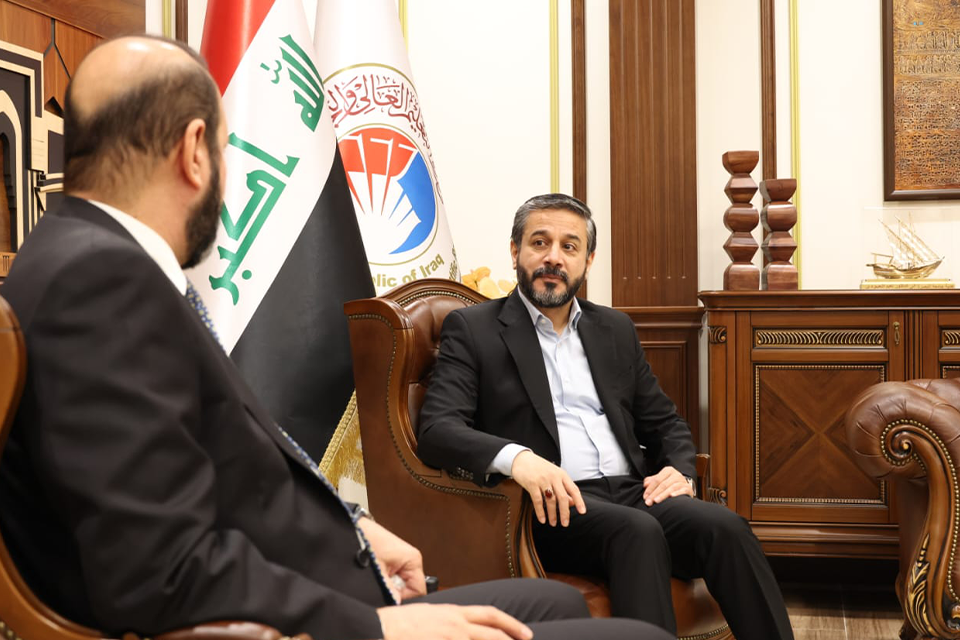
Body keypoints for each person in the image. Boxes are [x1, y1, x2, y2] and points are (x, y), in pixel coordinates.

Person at [0, 37, 672, 640]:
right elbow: (159, 569)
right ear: (194, 150)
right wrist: (376, 627)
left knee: (552, 602)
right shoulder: (102, 283)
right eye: (229, 152)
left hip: (318, 581)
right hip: (296, 624)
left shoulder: (81, 258)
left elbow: (215, 478)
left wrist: (358, 531)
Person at [417, 193, 795, 640]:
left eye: (569, 246)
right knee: (637, 531)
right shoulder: (474, 329)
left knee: (725, 527)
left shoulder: (614, 329)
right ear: (515, 251)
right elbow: (438, 429)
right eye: (539, 242)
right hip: (549, 506)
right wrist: (519, 459)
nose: (554, 257)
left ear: (588, 260)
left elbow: (665, 423)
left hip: (634, 492)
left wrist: (679, 470)